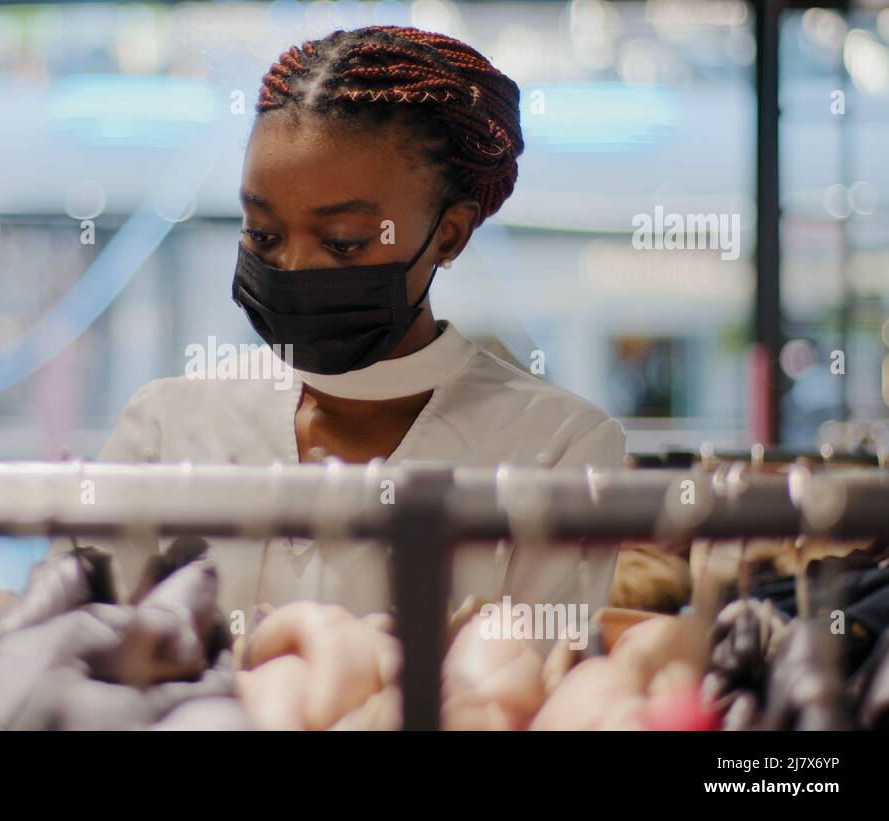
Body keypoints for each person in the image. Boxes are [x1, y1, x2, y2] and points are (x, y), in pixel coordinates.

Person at [68, 26, 626, 623]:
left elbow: (526, 692)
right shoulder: (167, 426)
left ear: (449, 232)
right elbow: (69, 644)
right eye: (263, 234)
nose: (293, 266)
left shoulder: (560, 447)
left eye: (343, 243)